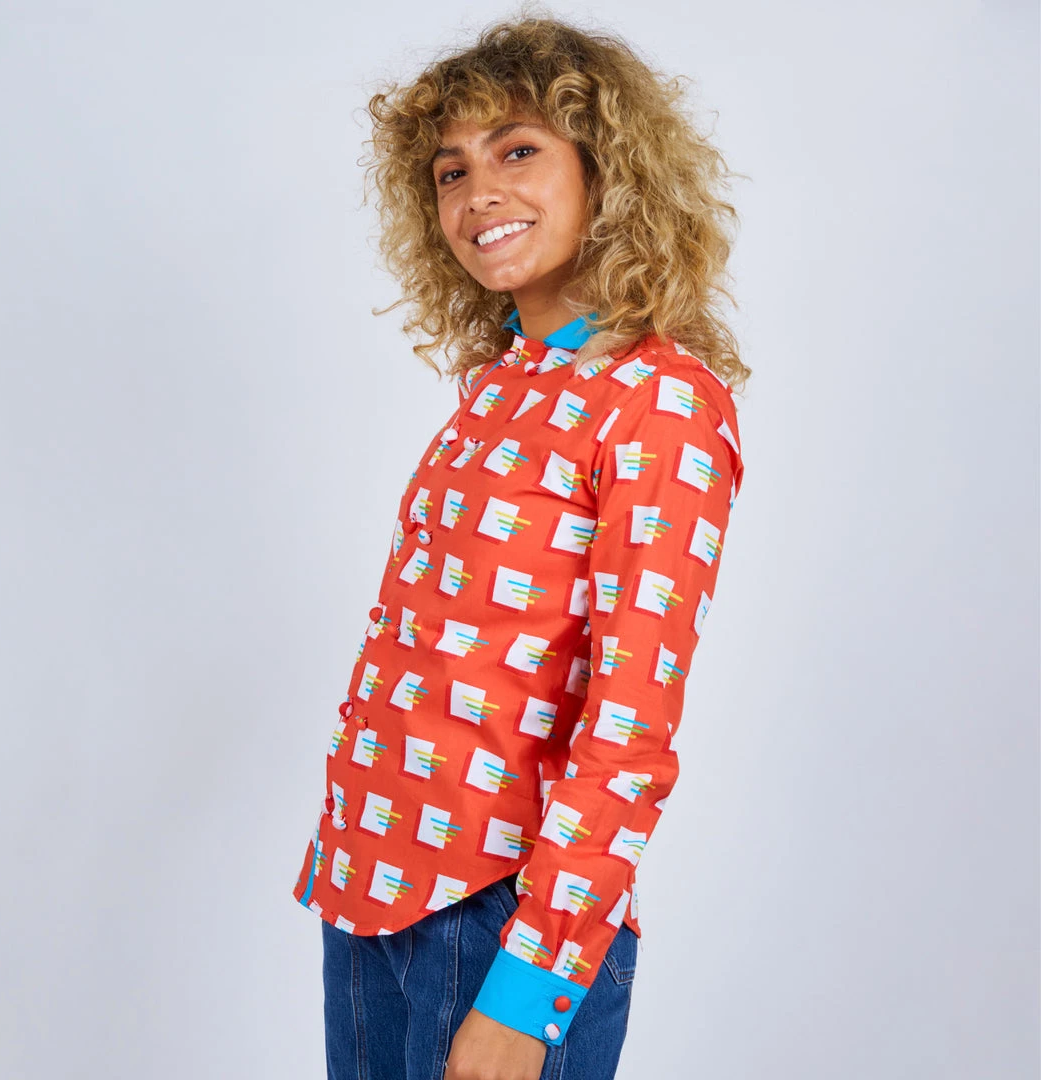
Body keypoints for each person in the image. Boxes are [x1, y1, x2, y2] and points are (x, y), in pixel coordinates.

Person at [291, 12, 751, 1080]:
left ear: (607, 170)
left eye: (517, 151)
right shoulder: (503, 384)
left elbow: (629, 730)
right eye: (451, 171)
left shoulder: (662, 405)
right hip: (368, 889)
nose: (477, 193)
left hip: (498, 919)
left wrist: (529, 989)